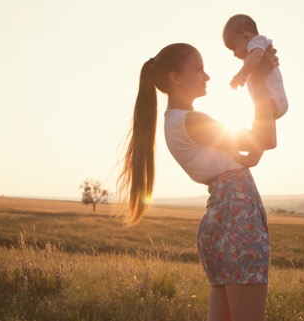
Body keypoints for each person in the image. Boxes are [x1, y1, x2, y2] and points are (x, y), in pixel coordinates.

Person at [117, 42, 279, 321]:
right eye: (199, 69)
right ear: (176, 78)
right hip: (237, 216)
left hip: (221, 217)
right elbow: (265, 140)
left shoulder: (174, 123)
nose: (207, 76)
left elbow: (251, 156)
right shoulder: (191, 121)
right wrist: (260, 81)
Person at [223, 14, 288, 121]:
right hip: (268, 101)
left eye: (234, 48)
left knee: (263, 121)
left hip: (273, 99)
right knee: (264, 126)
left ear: (246, 37)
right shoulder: (252, 53)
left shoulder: (257, 42)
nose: (234, 54)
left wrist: (241, 74)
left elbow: (257, 56)